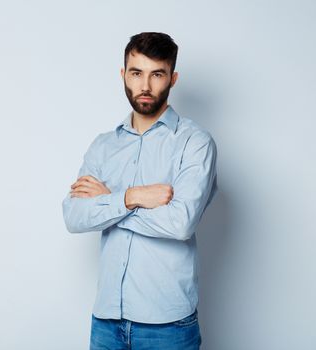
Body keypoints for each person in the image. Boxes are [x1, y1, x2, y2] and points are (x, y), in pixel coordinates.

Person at [62, 32, 218, 350]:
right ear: (124, 75)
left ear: (172, 78)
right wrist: (131, 197)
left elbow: (180, 224)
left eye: (156, 74)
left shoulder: (195, 143)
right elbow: (74, 215)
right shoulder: (103, 145)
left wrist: (107, 202)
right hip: (106, 321)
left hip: (168, 326)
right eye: (136, 73)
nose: (145, 86)